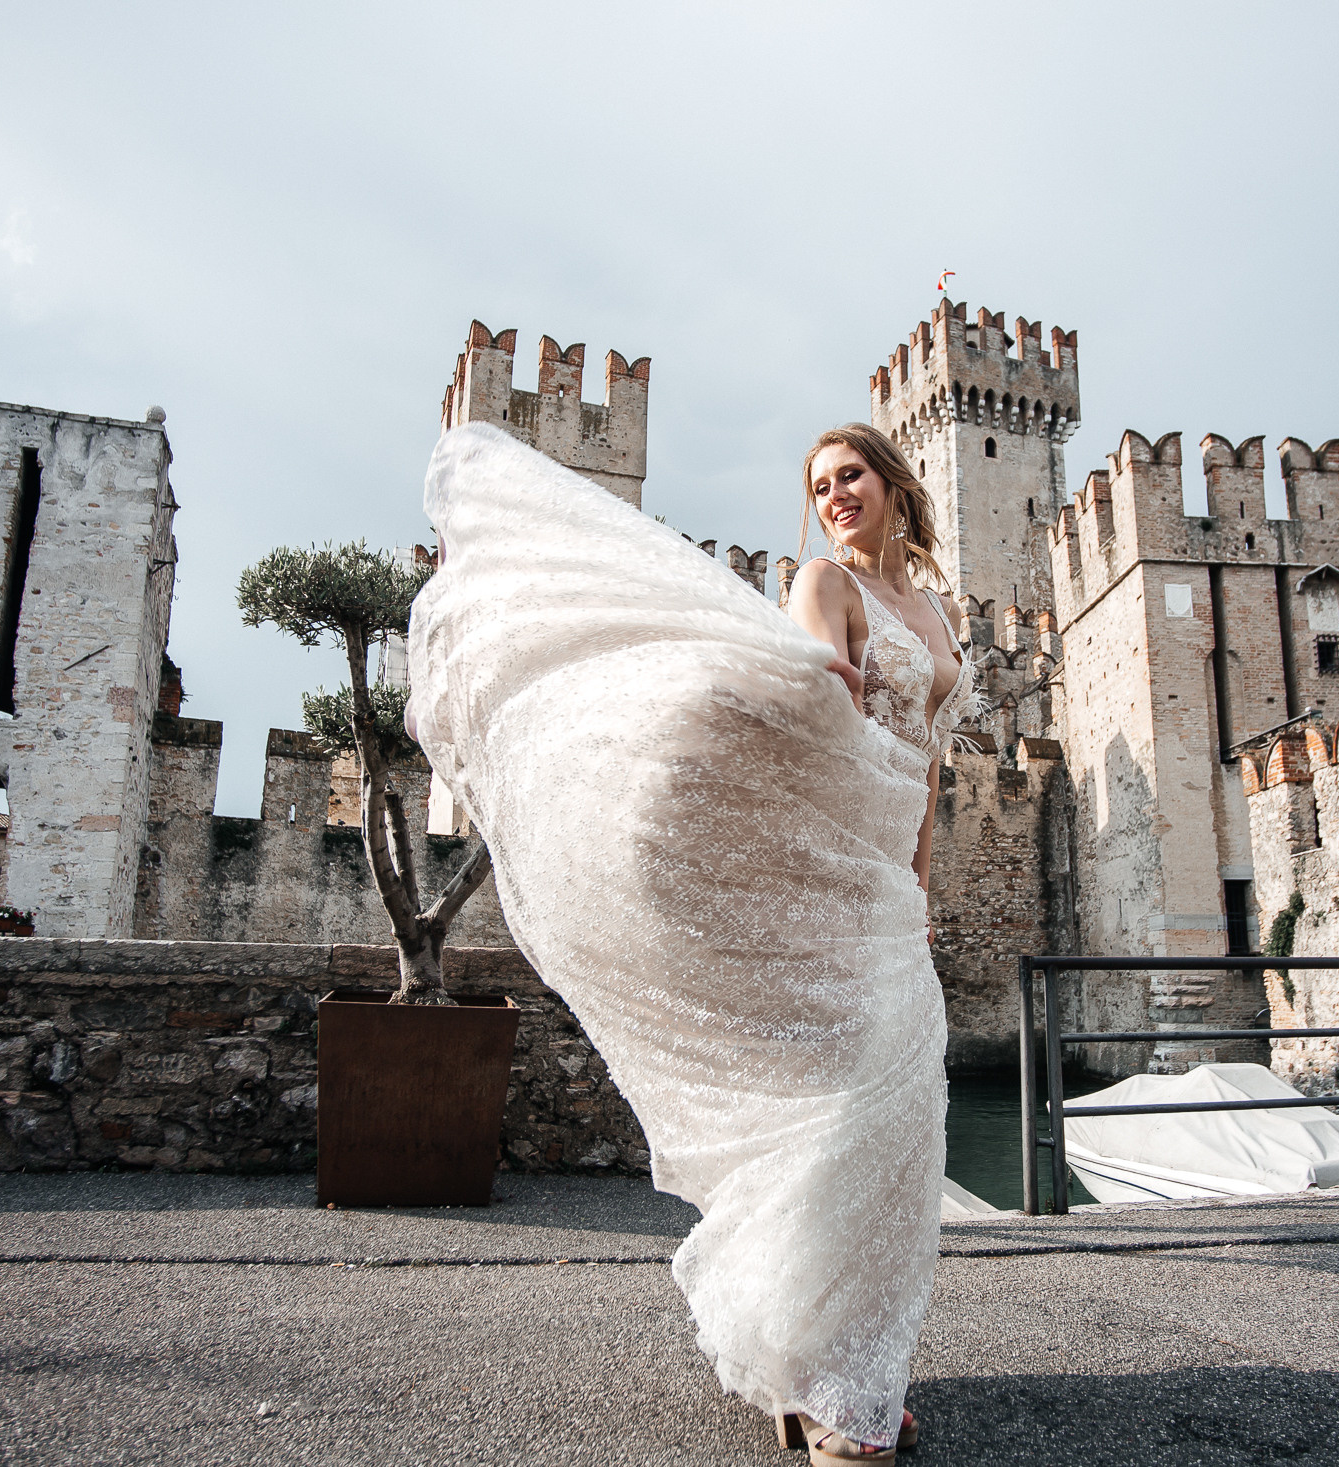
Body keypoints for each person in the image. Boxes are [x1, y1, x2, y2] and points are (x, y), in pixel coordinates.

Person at [406, 421, 972, 1465]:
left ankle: (848, 1355)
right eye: (819, 485)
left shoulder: (932, 609)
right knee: (844, 1115)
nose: (836, 495)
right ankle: (825, 1378)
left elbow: (929, 766)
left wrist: (922, 886)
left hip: (889, 876)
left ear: (894, 484)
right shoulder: (825, 585)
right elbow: (813, 693)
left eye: (850, 476)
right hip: (824, 865)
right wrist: (821, 688)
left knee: (901, 1123)